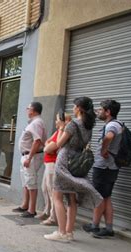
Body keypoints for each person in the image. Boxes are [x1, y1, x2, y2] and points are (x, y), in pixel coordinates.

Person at [44, 97, 103, 242]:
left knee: (57, 196)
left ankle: (61, 232)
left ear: (80, 108)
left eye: (75, 106)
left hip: (65, 160)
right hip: (77, 162)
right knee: (72, 199)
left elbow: (59, 143)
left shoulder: (73, 124)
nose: (73, 108)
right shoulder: (89, 125)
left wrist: (62, 127)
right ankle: (69, 232)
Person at [83, 99, 123, 238]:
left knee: (99, 197)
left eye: (101, 109)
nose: (98, 112)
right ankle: (108, 228)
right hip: (110, 167)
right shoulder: (117, 124)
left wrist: (103, 150)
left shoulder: (112, 125)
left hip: (104, 167)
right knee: (106, 197)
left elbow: (109, 137)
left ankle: (95, 226)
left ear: (108, 112)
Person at [12, 102, 47, 218]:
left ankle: (32, 210)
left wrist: (30, 157)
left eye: (28, 108)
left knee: (31, 182)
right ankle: (25, 205)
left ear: (34, 110)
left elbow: (37, 141)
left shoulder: (37, 123)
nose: (27, 110)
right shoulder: (34, 122)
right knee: (26, 181)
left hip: (31, 156)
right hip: (26, 155)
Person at [39, 112, 71, 225]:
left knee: (53, 191)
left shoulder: (63, 132)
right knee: (45, 188)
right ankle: (47, 211)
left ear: (64, 121)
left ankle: (54, 217)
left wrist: (49, 145)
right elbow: (47, 143)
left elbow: (48, 148)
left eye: (57, 119)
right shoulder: (58, 131)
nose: (56, 121)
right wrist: (49, 144)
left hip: (53, 164)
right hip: (48, 163)